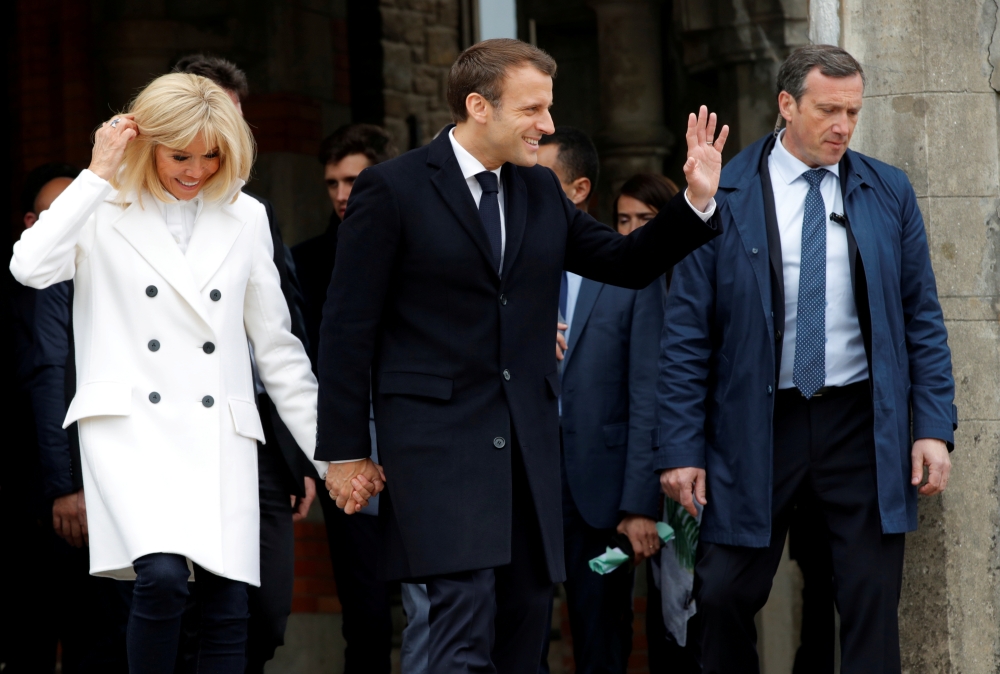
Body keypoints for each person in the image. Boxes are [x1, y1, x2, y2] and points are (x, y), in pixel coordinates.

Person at [317, 37, 727, 672]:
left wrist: (694, 202)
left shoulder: (540, 192)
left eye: (550, 108)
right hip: (437, 453)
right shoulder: (392, 190)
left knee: (523, 633)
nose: (549, 125)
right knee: (458, 627)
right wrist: (345, 452)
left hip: (529, 455)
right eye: (533, 110)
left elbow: (625, 263)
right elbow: (347, 330)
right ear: (479, 106)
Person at [9, 72, 331, 673]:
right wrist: (98, 171)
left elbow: (278, 348)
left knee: (227, 600)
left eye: (212, 155)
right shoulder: (97, 205)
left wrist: (330, 454)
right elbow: (29, 267)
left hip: (218, 435)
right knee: (159, 578)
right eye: (180, 154)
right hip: (130, 433)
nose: (196, 170)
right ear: (145, 142)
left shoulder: (246, 216)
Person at [656, 44, 955, 673]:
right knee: (725, 590)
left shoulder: (886, 190)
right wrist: (681, 447)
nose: (842, 126)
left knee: (870, 598)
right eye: (828, 110)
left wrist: (931, 426)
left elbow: (921, 316)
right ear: (787, 105)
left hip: (859, 420)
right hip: (757, 422)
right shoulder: (723, 192)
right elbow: (685, 332)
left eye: (852, 111)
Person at [170, 53, 316, 673]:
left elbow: (280, 341)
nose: (212, 149)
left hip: (254, 438)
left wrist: (305, 454)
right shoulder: (122, 212)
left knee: (264, 614)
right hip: (167, 437)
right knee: (178, 607)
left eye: (228, 126)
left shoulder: (252, 215)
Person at [539, 126, 668, 672]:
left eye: (536, 181)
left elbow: (647, 391)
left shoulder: (626, 269)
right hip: (523, 483)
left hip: (601, 493)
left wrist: (640, 503)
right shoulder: (501, 268)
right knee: (515, 635)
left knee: (601, 638)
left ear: (577, 190)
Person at [3, 163, 131, 673]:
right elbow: (44, 380)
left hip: (100, 495)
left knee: (102, 641)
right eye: (60, 215)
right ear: (32, 224)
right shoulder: (26, 289)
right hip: (36, 499)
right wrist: (62, 488)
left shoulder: (105, 288)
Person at [292, 124, 400, 673]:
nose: (340, 194)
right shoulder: (305, 261)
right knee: (364, 612)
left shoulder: (420, 248)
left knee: (445, 600)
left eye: (352, 180)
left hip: (424, 442)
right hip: (346, 452)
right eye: (332, 182)